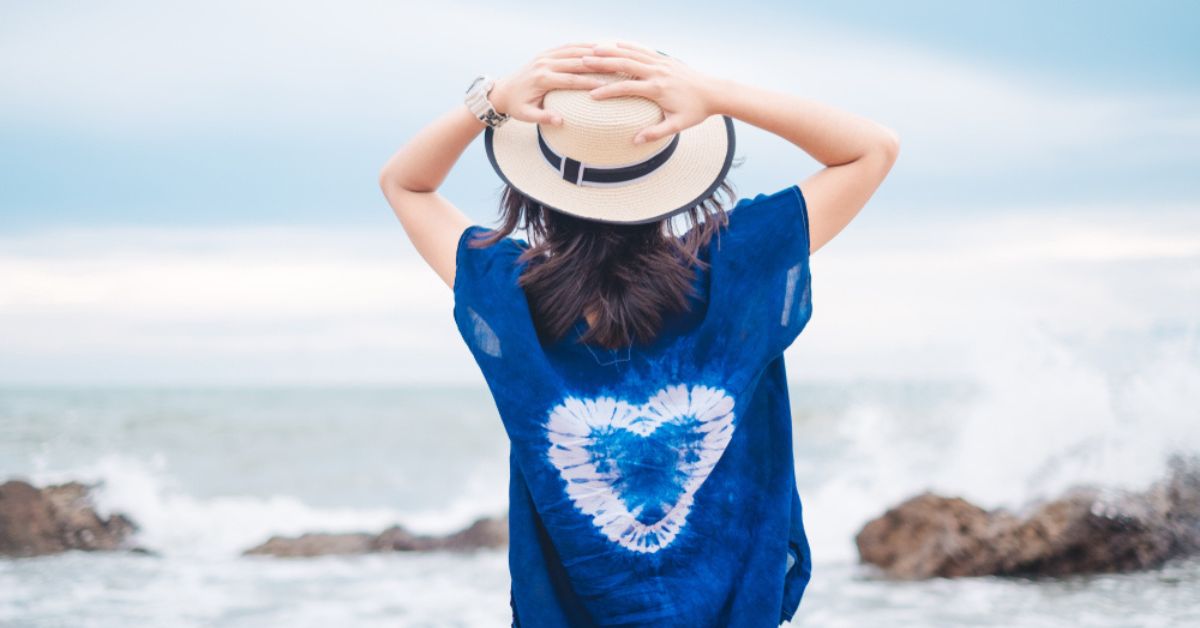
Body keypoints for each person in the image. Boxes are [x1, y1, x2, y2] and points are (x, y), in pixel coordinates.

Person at [379, 40, 899, 627]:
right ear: (674, 175)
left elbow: (404, 183)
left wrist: (491, 101)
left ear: (537, 187)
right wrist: (716, 95)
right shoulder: (736, 267)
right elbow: (872, 149)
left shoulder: (512, 295)